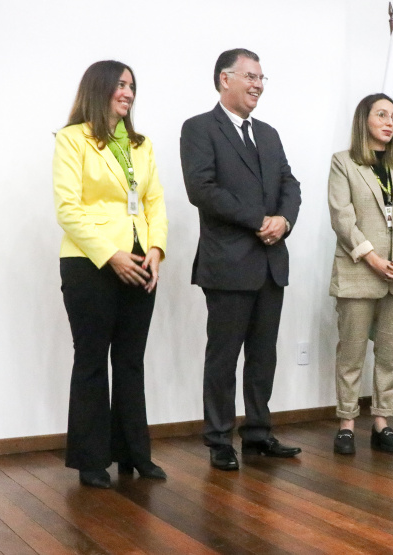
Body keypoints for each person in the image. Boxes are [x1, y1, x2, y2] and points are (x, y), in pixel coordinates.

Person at [180, 48, 302, 471]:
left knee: (263, 356)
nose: (258, 85)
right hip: (229, 265)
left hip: (270, 263)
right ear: (224, 79)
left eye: (262, 78)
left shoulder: (268, 133)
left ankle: (257, 434)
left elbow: (290, 182)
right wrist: (259, 220)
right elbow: (202, 189)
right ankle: (218, 438)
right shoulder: (198, 129)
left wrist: (284, 220)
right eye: (250, 76)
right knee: (224, 357)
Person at [53, 60, 168, 488]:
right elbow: (68, 208)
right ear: (98, 89)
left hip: (140, 262)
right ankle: (90, 460)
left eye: (132, 86)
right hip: (89, 264)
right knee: (91, 360)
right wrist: (110, 254)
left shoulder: (141, 144)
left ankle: (135, 454)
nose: (128, 93)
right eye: (120, 84)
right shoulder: (72, 139)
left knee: (130, 361)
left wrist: (156, 250)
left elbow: (155, 202)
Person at [327, 94, 393, 455]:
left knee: (389, 353)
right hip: (359, 271)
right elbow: (342, 218)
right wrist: (373, 259)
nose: (388, 122)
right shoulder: (344, 163)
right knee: (351, 353)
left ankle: (382, 422)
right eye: (381, 115)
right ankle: (347, 424)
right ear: (363, 121)